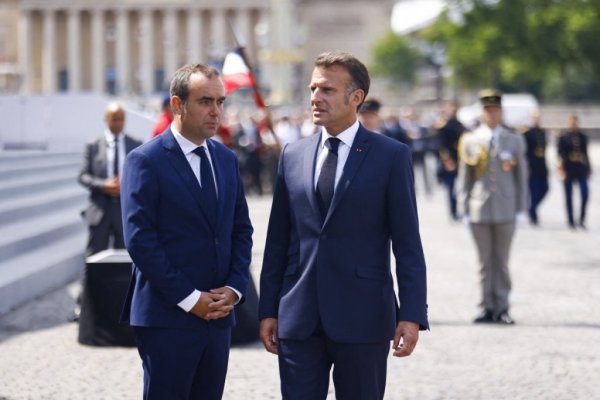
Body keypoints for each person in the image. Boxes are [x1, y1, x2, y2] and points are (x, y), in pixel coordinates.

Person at [258, 51, 428, 400]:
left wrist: (411, 314)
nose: (315, 97)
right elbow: (278, 240)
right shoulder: (292, 155)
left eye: (327, 90)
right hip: (299, 316)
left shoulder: (390, 156)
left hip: (363, 316)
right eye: (313, 88)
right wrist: (268, 310)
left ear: (356, 97)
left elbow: (407, 243)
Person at [120, 64, 253, 399]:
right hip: (167, 317)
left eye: (220, 101)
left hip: (219, 316)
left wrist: (235, 288)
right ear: (177, 104)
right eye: (205, 101)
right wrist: (190, 299)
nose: (216, 111)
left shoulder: (225, 158)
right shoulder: (145, 160)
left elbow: (241, 229)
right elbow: (140, 240)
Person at [457, 89, 527, 325]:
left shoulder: (514, 140)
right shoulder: (470, 140)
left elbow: (521, 177)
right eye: (488, 110)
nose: (492, 114)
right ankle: (486, 306)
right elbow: (465, 178)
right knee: (484, 262)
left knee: (502, 261)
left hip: (506, 208)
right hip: (480, 208)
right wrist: (463, 208)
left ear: (501, 111)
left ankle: (502, 307)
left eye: (495, 109)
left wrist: (521, 209)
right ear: (482, 112)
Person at [78, 102, 142, 257]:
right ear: (106, 119)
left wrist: (126, 186)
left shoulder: (135, 144)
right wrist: (103, 185)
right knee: (94, 257)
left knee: (125, 258)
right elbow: (83, 176)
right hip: (100, 209)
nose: (118, 123)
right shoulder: (93, 145)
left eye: (121, 119)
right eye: (114, 119)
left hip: (125, 210)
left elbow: (141, 176)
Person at [557, 113, 591, 229]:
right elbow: (559, 156)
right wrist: (561, 170)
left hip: (580, 168)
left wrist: (589, 168)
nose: (573, 124)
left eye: (575, 122)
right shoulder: (563, 137)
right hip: (568, 168)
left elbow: (585, 154)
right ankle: (571, 221)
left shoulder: (582, 137)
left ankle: (581, 219)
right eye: (571, 122)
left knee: (585, 193)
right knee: (569, 195)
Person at [435, 100, 465, 221]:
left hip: (460, 160)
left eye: (455, 109)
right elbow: (441, 145)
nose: (454, 111)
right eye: (452, 109)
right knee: (451, 188)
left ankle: (462, 211)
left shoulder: (460, 124)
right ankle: (453, 212)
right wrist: (447, 160)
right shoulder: (443, 125)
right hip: (449, 161)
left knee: (462, 188)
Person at [523, 110, 549, 225]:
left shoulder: (542, 132)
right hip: (532, 166)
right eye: (535, 118)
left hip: (541, 165)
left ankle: (531, 208)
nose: (537, 120)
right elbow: (525, 151)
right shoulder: (528, 133)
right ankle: (533, 216)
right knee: (533, 192)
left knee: (545, 189)